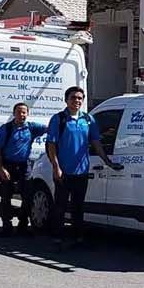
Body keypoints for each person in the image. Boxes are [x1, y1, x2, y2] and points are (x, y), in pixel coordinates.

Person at [44, 86, 120, 246]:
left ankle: (78, 236)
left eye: (79, 98)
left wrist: (108, 162)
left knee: (78, 206)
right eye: (73, 98)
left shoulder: (88, 120)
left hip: (82, 171)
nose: (76, 101)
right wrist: (55, 167)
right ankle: (57, 236)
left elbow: (96, 143)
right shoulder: (59, 119)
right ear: (66, 100)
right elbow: (51, 145)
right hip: (63, 171)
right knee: (61, 205)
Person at [0, 101, 47, 236]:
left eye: (24, 112)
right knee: (6, 197)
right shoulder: (6, 129)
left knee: (28, 196)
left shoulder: (32, 128)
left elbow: (50, 128)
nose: (21, 114)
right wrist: (1, 169)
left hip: (24, 166)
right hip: (7, 165)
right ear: (14, 114)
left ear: (27, 114)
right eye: (18, 112)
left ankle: (23, 224)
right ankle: (7, 226)